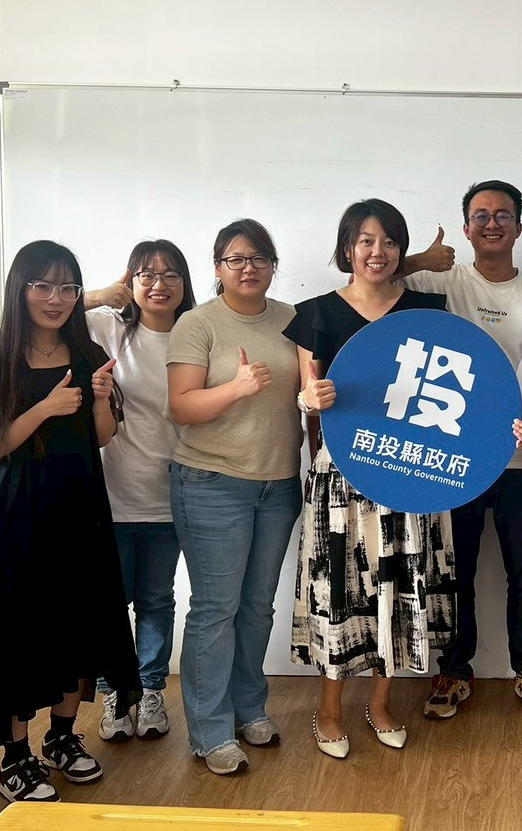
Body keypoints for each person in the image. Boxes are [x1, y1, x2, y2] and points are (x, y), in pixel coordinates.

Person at [288, 199, 492, 759]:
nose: (377, 252)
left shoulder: (429, 309)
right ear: (347, 249)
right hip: (342, 476)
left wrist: (500, 428)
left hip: (411, 469)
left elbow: (459, 395)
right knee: (339, 590)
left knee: (401, 588)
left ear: (401, 250)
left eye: (389, 241)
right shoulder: (315, 314)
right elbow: (305, 394)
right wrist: (309, 399)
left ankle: (381, 704)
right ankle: (329, 711)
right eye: (366, 241)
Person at [0, 240, 140, 802]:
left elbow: (102, 437)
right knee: (20, 633)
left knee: (81, 622)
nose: (56, 298)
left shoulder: (88, 352)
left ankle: (62, 737)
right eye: (42, 286)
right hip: (17, 513)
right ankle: (16, 757)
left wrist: (99, 400)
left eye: (68, 287)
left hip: (81, 506)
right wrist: (44, 408)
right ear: (19, 290)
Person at [406, 180, 522, 721]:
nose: (491, 223)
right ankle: (454, 670)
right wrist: (419, 258)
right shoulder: (439, 281)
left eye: (502, 215)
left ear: (519, 226)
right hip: (454, 457)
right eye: (481, 215)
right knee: (455, 571)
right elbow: (368, 277)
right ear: (466, 227)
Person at [166, 219, 303, 776]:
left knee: (256, 607)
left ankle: (249, 708)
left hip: (279, 484)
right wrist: (237, 388)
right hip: (211, 483)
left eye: (259, 258)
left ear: (272, 265)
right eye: (235, 259)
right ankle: (211, 731)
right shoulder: (197, 323)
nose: (248, 268)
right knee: (215, 610)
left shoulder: (294, 319)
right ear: (218, 267)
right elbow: (182, 407)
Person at [87, 241, 196, 743]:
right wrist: (98, 294)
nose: (159, 285)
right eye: (146, 275)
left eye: (170, 275)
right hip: (112, 492)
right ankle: (115, 691)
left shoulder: (197, 335)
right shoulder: (109, 328)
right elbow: (33, 316)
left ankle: (150, 690)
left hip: (171, 494)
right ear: (129, 280)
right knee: (112, 602)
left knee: (156, 600)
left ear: (185, 283)